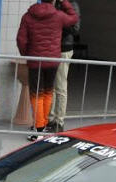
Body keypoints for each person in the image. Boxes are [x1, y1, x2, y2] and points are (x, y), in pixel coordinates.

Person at [17, 0, 78, 139]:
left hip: (35, 61)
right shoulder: (59, 16)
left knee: (36, 94)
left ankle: (39, 129)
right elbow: (74, 18)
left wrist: (27, 54)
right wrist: (65, 3)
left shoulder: (28, 16)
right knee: (48, 92)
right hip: (52, 60)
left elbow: (21, 39)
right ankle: (42, 125)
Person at [49, 0, 80, 133]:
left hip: (63, 48)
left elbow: (75, 28)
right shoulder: (52, 3)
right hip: (50, 48)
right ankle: (49, 119)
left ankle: (58, 121)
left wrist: (58, 23)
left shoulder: (72, 4)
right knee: (50, 85)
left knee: (60, 86)